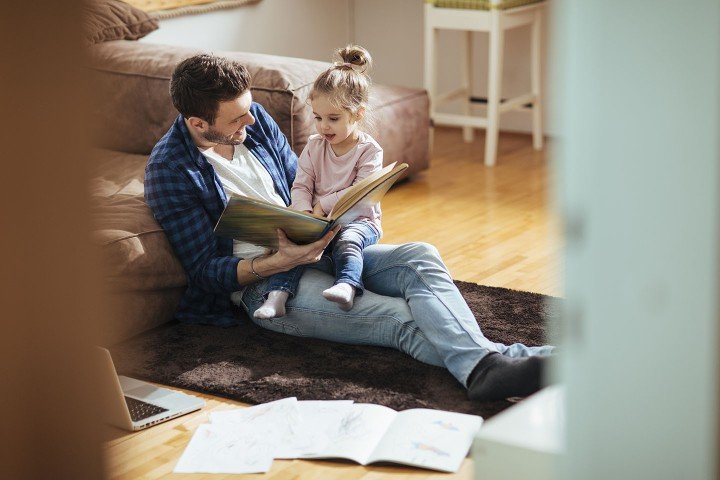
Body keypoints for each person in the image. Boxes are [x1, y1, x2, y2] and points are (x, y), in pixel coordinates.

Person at [144, 52, 554, 402]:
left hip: (322, 245)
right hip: (265, 285)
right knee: (403, 316)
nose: (251, 120)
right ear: (199, 123)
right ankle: (504, 365)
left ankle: (491, 368)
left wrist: (337, 216)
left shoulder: (253, 122)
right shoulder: (170, 170)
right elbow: (203, 272)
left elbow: (301, 182)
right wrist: (278, 261)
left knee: (420, 256)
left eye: (249, 108)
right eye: (237, 118)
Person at [254, 45, 383, 319]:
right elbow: (301, 184)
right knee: (290, 247)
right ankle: (277, 296)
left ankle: (347, 286)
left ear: (358, 114)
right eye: (318, 118)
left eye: (333, 119)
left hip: (359, 222)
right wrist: (302, 212)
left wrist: (323, 205)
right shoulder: (315, 146)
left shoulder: (369, 151)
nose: (324, 126)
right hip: (317, 220)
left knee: (348, 241)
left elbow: (362, 195)